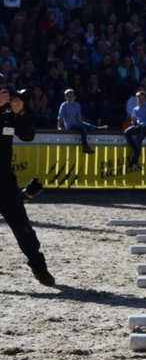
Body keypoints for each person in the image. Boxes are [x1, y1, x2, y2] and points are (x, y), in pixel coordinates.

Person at [0, 79, 53, 286]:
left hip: (4, 180)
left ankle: (40, 268)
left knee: (23, 228)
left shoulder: (9, 112)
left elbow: (28, 135)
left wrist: (20, 112)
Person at [57, 87, 96, 154]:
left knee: (92, 127)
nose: (70, 98)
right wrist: (59, 127)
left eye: (72, 96)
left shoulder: (77, 105)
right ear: (65, 97)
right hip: (70, 125)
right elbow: (60, 117)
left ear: (74, 97)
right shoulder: (64, 105)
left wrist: (81, 123)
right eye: (68, 96)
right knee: (83, 129)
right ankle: (85, 147)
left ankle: (87, 141)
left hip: (77, 123)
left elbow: (79, 116)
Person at [124, 89, 146, 171]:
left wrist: (142, 124)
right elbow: (133, 119)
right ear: (137, 99)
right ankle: (136, 148)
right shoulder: (135, 109)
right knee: (127, 132)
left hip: (145, 127)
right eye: (139, 99)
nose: (141, 100)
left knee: (138, 140)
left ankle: (134, 161)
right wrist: (133, 121)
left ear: (145, 99)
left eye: (143, 99)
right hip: (137, 126)